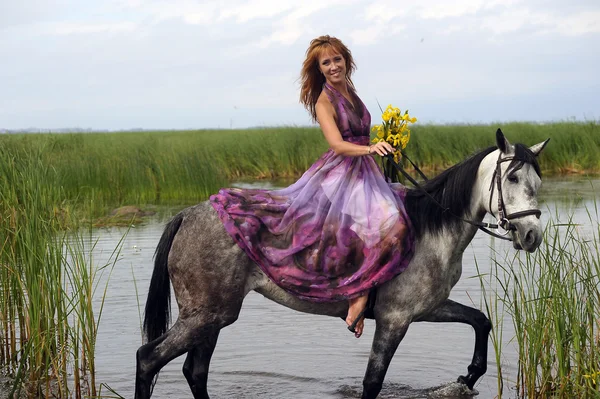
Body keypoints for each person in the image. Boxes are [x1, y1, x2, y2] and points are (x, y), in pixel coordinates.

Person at [210, 35, 414, 338]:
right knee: (390, 227)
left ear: (346, 59)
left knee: (403, 209)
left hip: (364, 169)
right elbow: (337, 144)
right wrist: (370, 150)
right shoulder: (324, 100)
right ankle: (358, 297)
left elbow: (360, 135)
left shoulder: (352, 92)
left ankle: (372, 297)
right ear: (318, 69)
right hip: (341, 172)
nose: (333, 66)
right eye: (326, 63)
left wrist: (386, 144)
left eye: (337, 59)